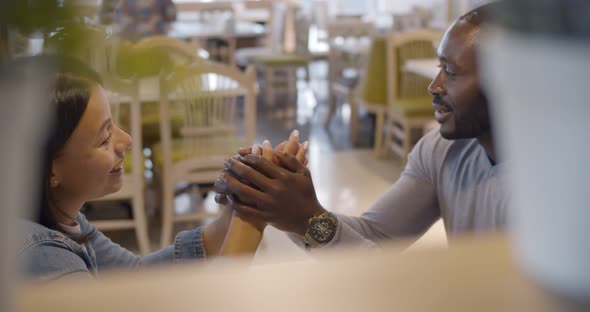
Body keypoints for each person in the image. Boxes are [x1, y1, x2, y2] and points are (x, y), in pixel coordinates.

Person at [214, 3, 509, 251]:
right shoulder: (442, 150)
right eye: (439, 68)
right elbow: (376, 235)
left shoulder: (545, 186)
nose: (434, 86)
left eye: (451, 72)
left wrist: (308, 220)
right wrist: (288, 208)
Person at [17, 56, 243, 280]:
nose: (127, 139)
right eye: (105, 138)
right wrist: (248, 225)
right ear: (49, 170)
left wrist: (232, 215)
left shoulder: (61, 217)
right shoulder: (45, 258)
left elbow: (134, 275)